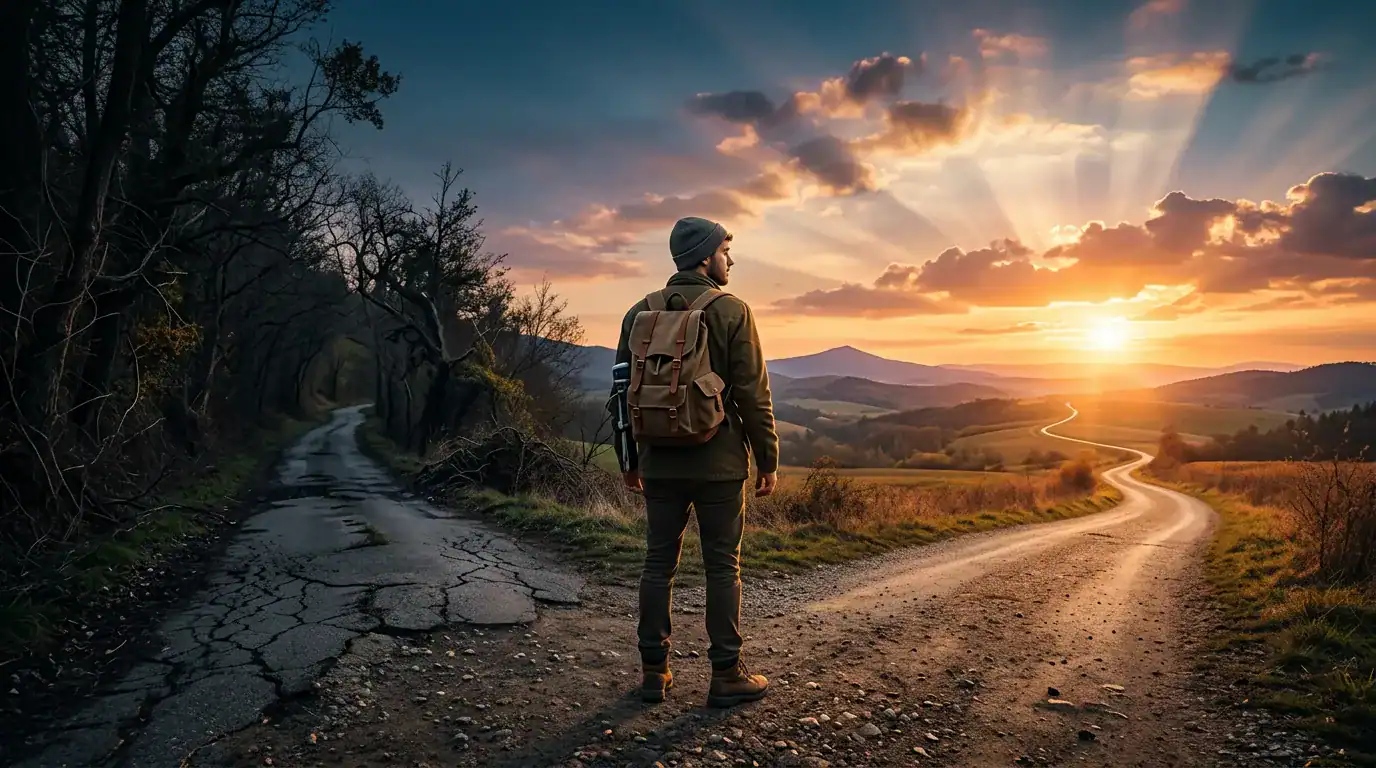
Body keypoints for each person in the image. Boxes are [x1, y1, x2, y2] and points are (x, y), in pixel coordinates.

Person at [611, 215, 779, 708]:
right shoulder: (732, 311)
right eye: (726, 251)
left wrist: (629, 459)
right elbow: (752, 393)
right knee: (722, 566)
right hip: (720, 463)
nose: (731, 259)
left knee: (657, 562)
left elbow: (622, 394)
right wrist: (768, 458)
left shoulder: (637, 312)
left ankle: (652, 671)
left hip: (658, 462)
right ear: (706, 257)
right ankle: (726, 674)